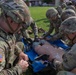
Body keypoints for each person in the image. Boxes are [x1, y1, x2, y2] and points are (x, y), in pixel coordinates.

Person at [0, 0, 30, 75]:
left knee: (20, 44)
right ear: (11, 21)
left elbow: (10, 41)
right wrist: (19, 68)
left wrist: (20, 52)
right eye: (20, 24)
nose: (20, 28)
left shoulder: (6, 30)